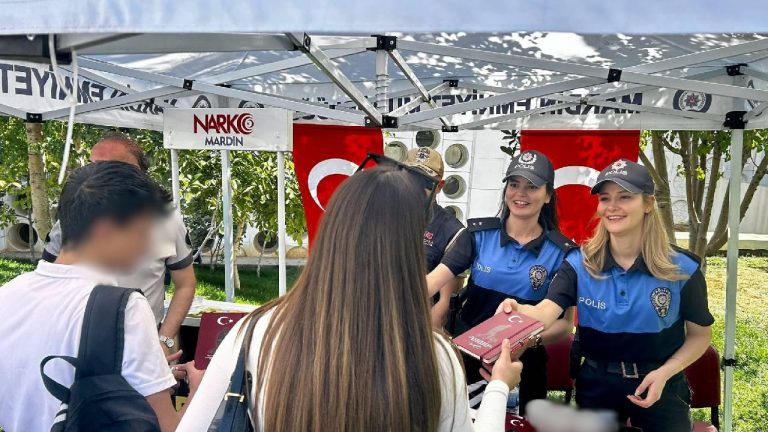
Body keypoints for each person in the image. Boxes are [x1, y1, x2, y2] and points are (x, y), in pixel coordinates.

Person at [177, 164, 523, 432]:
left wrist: (198, 387)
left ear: (332, 233)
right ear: (407, 251)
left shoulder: (253, 334)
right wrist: (497, 388)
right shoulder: (432, 355)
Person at [498, 159, 714, 431]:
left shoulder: (683, 268)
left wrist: (665, 373)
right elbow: (544, 312)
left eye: (625, 197)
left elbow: (700, 335)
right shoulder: (578, 263)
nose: (612, 206)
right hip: (596, 386)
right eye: (605, 198)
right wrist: (516, 309)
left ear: (648, 204)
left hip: (663, 385)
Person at [0, 162, 195, 432]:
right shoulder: (122, 308)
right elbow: (167, 428)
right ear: (105, 229)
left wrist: (152, 376)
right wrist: (197, 392)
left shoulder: (7, 296)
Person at [425, 150, 576, 414]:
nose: (521, 193)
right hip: (469, 361)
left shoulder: (563, 252)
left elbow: (564, 324)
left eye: (532, 187)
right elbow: (433, 281)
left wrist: (527, 341)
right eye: (514, 184)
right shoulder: (477, 235)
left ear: (548, 195)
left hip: (525, 365)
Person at [42, 132, 196, 355]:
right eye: (96, 166)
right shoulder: (69, 218)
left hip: (141, 344)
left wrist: (164, 340)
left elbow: (185, 284)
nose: (102, 176)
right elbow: (49, 277)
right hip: (75, 343)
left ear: (139, 173)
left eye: (114, 168)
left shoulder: (165, 219)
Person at [403, 147, 469, 328]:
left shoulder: (453, 232)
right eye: (411, 178)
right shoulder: (384, 217)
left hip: (419, 326)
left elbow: (443, 307)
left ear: (439, 186)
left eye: (425, 181)